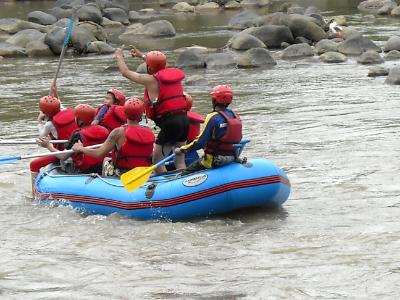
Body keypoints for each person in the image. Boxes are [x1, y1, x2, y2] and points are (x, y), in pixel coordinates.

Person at [115, 47, 189, 174]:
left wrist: (119, 56)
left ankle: (166, 189)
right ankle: (186, 183)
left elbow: (125, 72)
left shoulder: (150, 80)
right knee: (180, 160)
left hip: (170, 124)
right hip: (184, 120)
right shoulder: (173, 74)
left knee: (157, 162)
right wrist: (141, 56)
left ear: (149, 67)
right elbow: (158, 65)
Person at [72, 98, 155, 176]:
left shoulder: (118, 132)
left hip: (122, 173)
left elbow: (99, 154)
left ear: (124, 113)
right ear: (141, 115)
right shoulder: (149, 132)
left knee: (106, 160)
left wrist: (80, 148)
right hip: (143, 173)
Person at [175, 85, 242, 174]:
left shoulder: (213, 117)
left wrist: (182, 149)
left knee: (185, 173)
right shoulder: (235, 116)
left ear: (214, 100)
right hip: (232, 157)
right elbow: (239, 137)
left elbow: (200, 142)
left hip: (214, 160)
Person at [37, 104, 109, 174]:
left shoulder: (77, 134)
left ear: (80, 121)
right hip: (101, 167)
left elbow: (63, 157)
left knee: (64, 161)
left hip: (84, 170)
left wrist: (48, 145)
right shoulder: (104, 130)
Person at [30, 95, 79, 189]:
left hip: (64, 155)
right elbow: (59, 105)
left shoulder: (49, 124)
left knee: (34, 164)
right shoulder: (70, 112)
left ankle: (34, 192)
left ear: (44, 112)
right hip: (75, 150)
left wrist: (39, 121)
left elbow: (41, 138)